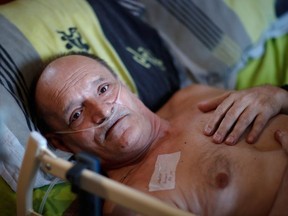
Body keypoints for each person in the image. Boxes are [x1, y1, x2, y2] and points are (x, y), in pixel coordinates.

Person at [34, 54, 288, 215]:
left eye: (103, 88)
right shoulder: (133, 203)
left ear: (123, 83)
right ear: (61, 143)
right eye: (76, 114)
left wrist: (277, 94)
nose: (102, 111)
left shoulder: (191, 97)